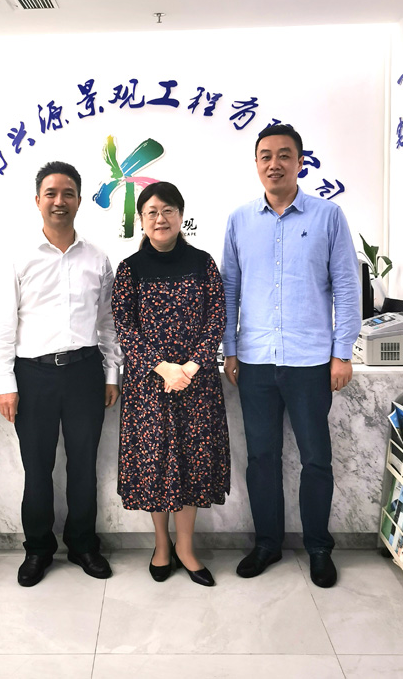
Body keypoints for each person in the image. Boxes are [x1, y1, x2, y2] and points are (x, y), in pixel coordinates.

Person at [221, 124, 361, 588]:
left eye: (284, 155)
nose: (274, 163)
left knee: (316, 458)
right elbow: (229, 290)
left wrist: (342, 353)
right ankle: (267, 544)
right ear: (256, 164)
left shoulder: (328, 216)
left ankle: (319, 547)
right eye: (266, 156)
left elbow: (346, 285)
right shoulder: (240, 220)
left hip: (310, 362)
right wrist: (230, 349)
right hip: (256, 361)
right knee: (262, 459)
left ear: (301, 162)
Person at [0, 161, 122, 586]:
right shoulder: (18, 256)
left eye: (68, 193)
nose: (59, 201)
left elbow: (108, 322)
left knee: (84, 464)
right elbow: (3, 323)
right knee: (37, 467)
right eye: (51, 193)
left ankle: (83, 544)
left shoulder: (97, 258)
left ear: (80, 200)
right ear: (37, 201)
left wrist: (111, 374)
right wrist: (6, 383)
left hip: (85, 372)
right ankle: (38, 549)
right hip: (34, 376)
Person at [111, 182, 230, 587]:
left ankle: (186, 547)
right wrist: (163, 368)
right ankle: (161, 545)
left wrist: (191, 367)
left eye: (167, 210)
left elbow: (217, 318)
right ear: (141, 220)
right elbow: (124, 327)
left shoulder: (203, 263)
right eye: (151, 212)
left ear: (180, 215)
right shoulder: (129, 269)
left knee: (193, 464)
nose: (160, 219)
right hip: (150, 386)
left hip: (197, 385)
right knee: (156, 466)